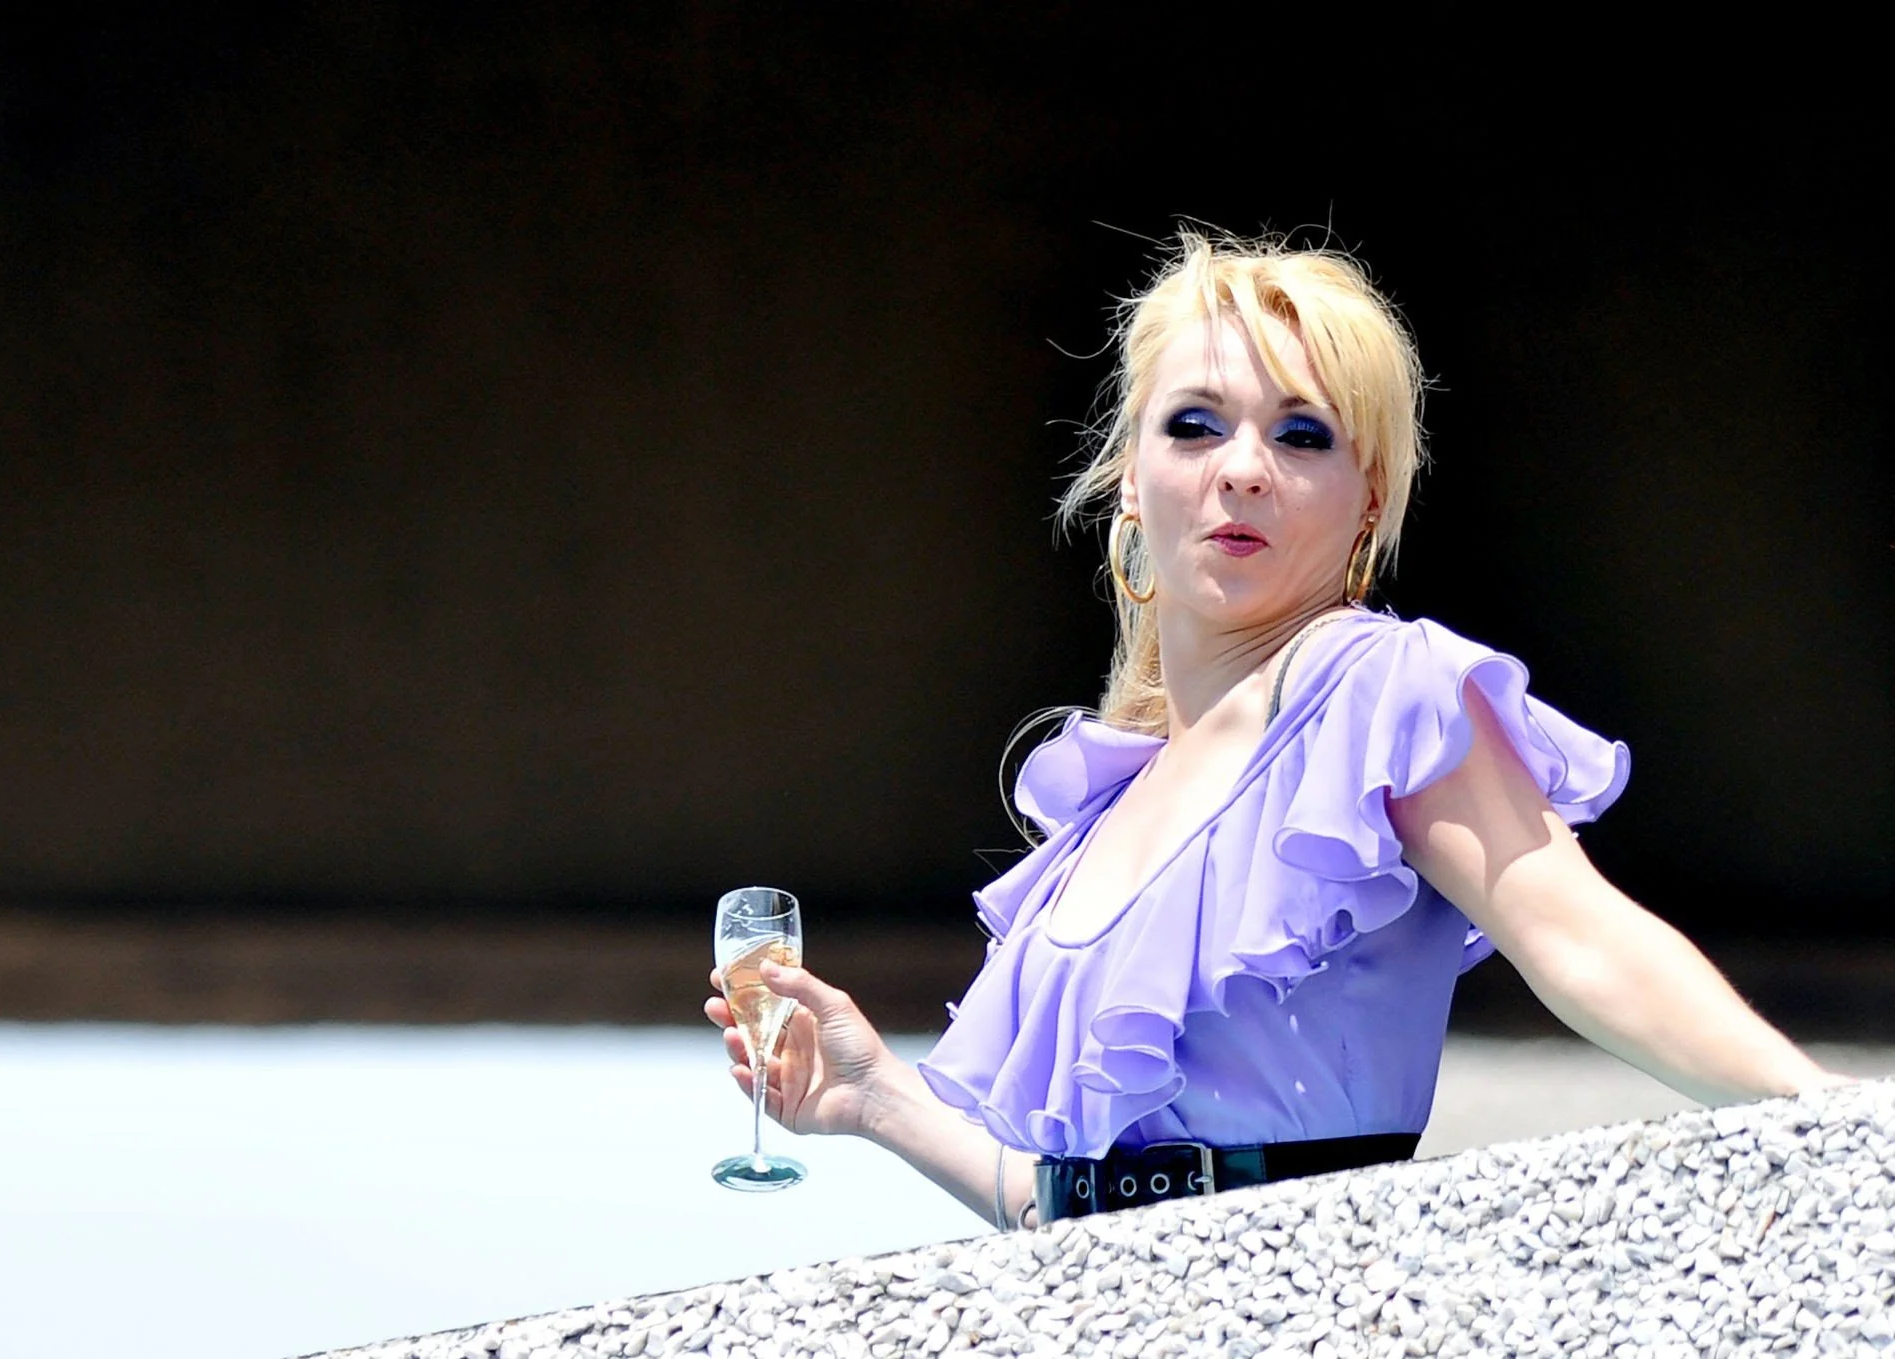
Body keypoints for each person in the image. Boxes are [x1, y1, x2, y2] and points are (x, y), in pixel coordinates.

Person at [703, 232, 1846, 1229]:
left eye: (1303, 435)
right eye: (1194, 425)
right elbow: (1065, 1205)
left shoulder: (1378, 690)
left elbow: (1579, 938)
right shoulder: (1099, 813)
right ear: (1128, 482)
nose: (1242, 470)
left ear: (1367, 499)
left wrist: (1828, 1120)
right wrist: (877, 1105)